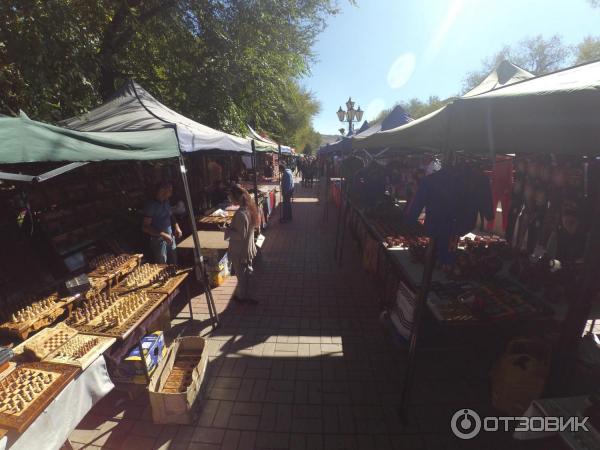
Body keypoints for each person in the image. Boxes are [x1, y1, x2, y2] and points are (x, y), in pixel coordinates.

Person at [222, 185, 259, 304]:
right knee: (247, 271)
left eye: (230, 198)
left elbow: (239, 236)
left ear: (236, 198)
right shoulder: (249, 209)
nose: (230, 200)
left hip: (240, 250)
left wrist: (226, 230)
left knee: (241, 274)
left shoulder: (240, 214)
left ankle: (243, 297)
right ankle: (249, 294)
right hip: (248, 248)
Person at [142, 181, 182, 264]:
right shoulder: (151, 206)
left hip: (170, 237)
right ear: (162, 191)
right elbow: (145, 227)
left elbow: (171, 216)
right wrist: (163, 234)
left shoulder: (166, 201)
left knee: (174, 263)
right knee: (162, 267)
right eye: (169, 191)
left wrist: (177, 227)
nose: (171, 193)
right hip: (159, 241)